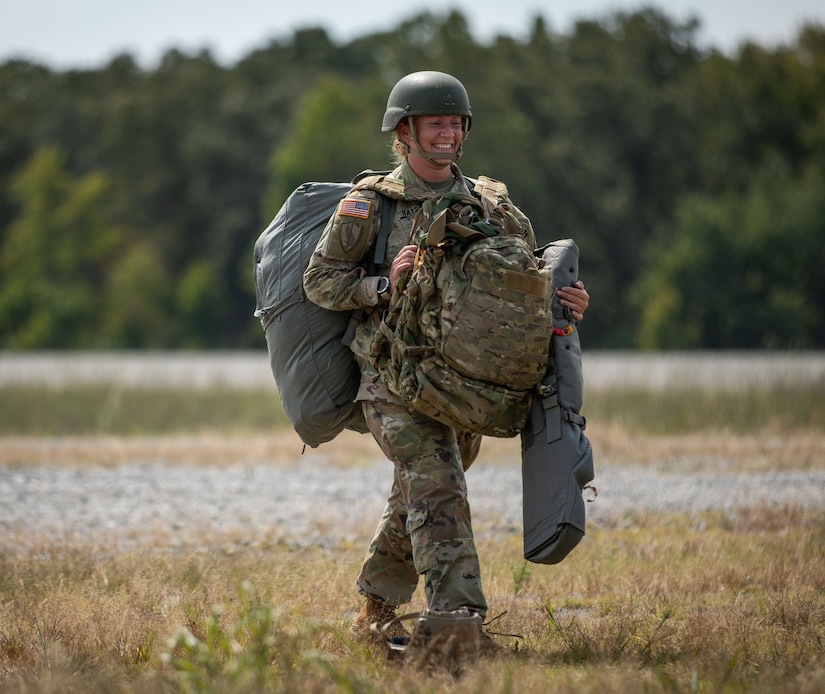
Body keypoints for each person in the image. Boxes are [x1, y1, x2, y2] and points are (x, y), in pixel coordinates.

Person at [303, 71, 589, 644]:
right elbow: (320, 281)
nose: (447, 134)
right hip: (392, 379)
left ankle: (375, 612)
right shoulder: (369, 206)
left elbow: (524, 279)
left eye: (455, 124)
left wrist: (568, 302)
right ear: (404, 132)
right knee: (437, 486)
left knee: (420, 492)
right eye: (435, 123)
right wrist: (383, 286)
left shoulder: (490, 205)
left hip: (465, 386)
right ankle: (457, 627)